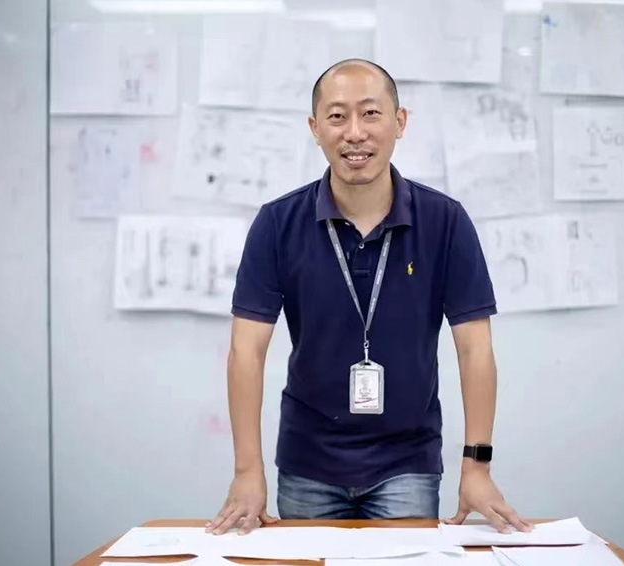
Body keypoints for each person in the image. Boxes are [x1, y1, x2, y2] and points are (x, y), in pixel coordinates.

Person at [206, 59, 532, 536]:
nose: (354, 133)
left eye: (371, 113)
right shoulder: (277, 223)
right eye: (337, 116)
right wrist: (246, 471)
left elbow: (475, 350)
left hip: (407, 461)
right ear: (315, 129)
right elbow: (245, 351)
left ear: (400, 122)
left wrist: (476, 466)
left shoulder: (445, 222)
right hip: (308, 461)